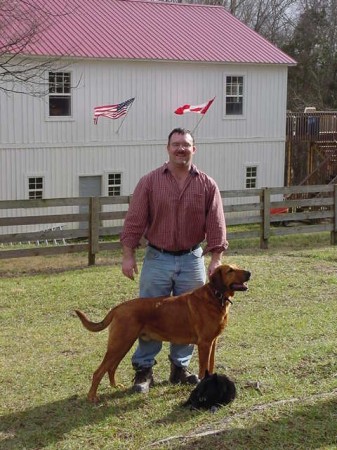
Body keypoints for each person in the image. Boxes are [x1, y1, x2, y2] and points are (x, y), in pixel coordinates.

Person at [120, 127, 228, 393]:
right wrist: (128, 254)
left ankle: (180, 368)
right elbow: (135, 220)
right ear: (167, 148)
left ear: (194, 149)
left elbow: (216, 223)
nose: (181, 149)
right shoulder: (150, 181)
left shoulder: (206, 184)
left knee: (193, 319)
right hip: (157, 258)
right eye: (176, 144)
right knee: (150, 316)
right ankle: (143, 371)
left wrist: (216, 257)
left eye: (186, 145)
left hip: (192, 259)